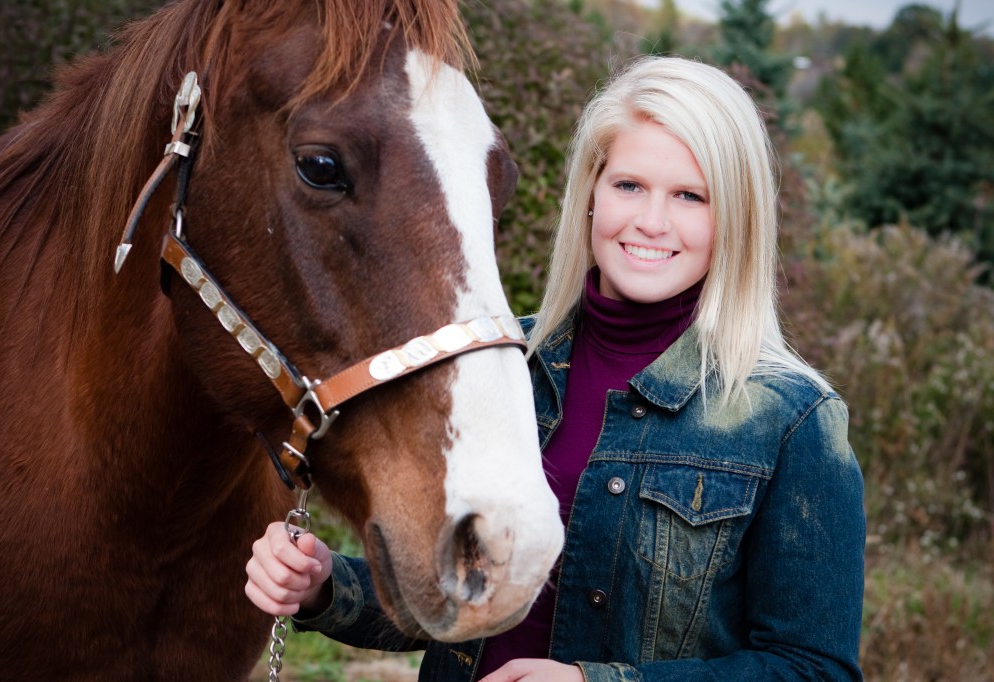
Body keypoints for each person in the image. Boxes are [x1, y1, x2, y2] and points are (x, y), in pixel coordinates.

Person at [245, 55, 866, 681]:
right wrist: (325, 586)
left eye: (689, 196)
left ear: (734, 216)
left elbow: (813, 670)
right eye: (629, 186)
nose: (651, 221)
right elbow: (461, 589)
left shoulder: (791, 422)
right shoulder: (498, 365)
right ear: (592, 193)